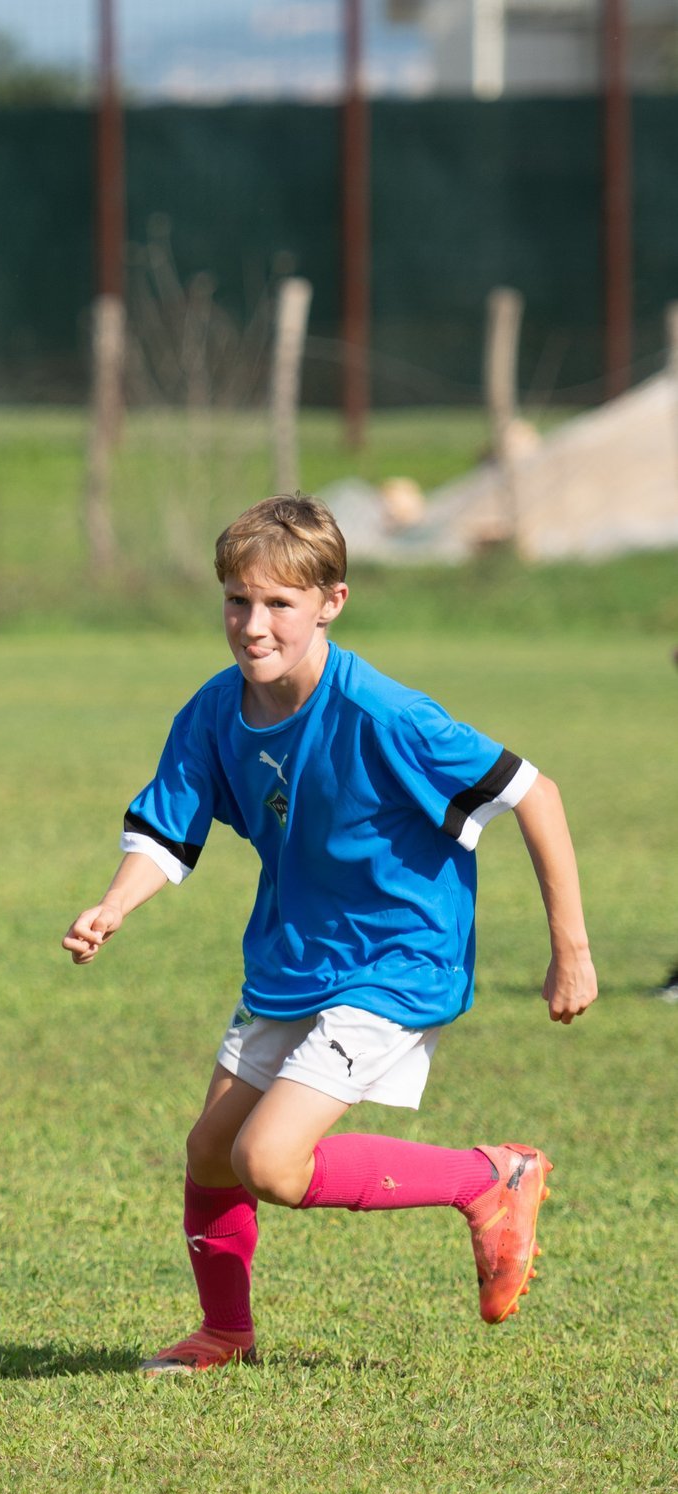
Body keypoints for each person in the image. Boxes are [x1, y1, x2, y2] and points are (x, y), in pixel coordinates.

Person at [62, 495, 595, 1376]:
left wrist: (569, 950)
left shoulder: (385, 713)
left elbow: (535, 793)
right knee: (211, 1150)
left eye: (279, 603)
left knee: (268, 1160)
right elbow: (165, 828)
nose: (253, 624)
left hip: (398, 957)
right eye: (238, 600)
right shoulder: (216, 710)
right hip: (296, 954)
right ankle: (224, 1332)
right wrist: (115, 903)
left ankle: (488, 1178)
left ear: (331, 602)